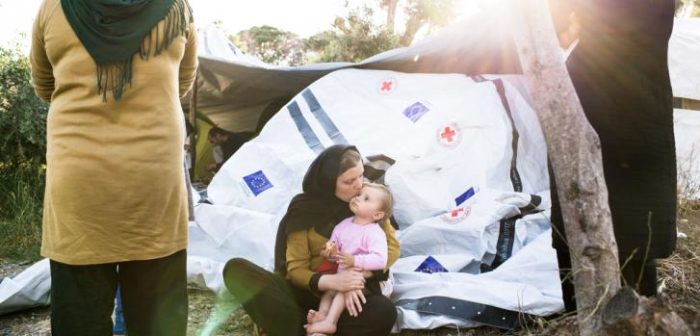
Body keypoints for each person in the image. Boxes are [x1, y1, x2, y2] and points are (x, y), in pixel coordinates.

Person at [30, 0, 198, 334]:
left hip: (79, 185)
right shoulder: (177, 8)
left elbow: (44, 85)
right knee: (156, 322)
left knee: (80, 319)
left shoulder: (54, 8)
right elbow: (182, 83)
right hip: (153, 183)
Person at [548, 0, 677, 311]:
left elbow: (560, 35)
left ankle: (588, 314)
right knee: (635, 229)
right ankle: (638, 314)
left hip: (596, 99)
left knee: (580, 217)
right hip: (645, 103)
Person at [223, 145, 400, 336]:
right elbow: (296, 269)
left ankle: (302, 329)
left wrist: (356, 277)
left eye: (361, 176)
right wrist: (333, 281)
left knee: (384, 311)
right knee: (236, 270)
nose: (359, 185)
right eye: (349, 181)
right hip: (304, 293)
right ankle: (308, 328)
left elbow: (391, 249)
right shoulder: (304, 211)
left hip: (345, 299)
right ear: (328, 182)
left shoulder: (368, 202)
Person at [305, 182, 394, 335]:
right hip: (341, 276)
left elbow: (380, 260)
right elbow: (336, 252)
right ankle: (323, 315)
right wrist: (331, 254)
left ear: (377, 215)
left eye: (366, 199)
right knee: (328, 293)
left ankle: (330, 322)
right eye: (359, 195)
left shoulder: (373, 232)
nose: (358, 198)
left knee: (342, 290)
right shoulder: (343, 225)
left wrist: (355, 261)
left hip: (364, 281)